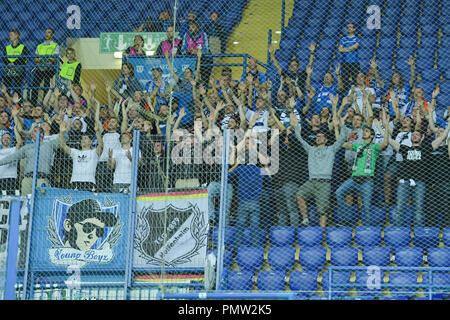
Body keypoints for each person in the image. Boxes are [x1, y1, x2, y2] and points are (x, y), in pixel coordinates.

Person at [385, 118, 450, 227]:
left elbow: (443, 137)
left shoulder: (426, 148)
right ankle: (398, 231)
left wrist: (449, 125)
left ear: (422, 137)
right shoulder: (405, 149)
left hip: (420, 182)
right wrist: (384, 125)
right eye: (413, 135)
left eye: (417, 134)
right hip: (404, 181)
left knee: (418, 208)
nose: (414, 136)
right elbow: (389, 140)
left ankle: (419, 232)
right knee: (400, 207)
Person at [292, 96, 345, 227]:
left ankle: (321, 235)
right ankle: (305, 220)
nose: (318, 138)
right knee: (299, 195)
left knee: (323, 211)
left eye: (321, 137)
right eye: (317, 136)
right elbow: (299, 138)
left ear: (326, 140)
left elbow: (342, 139)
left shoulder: (331, 149)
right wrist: (294, 120)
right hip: (311, 181)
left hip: (324, 183)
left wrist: (341, 124)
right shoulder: (310, 149)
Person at [336, 110, 390, 226]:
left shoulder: (375, 147)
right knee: (338, 193)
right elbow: (342, 143)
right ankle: (346, 220)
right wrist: (336, 127)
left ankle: (367, 229)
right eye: (364, 131)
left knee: (366, 207)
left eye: (366, 131)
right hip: (354, 179)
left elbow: (385, 143)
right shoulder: (358, 146)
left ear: (371, 136)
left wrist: (384, 127)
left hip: (367, 181)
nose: (364, 133)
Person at [0, 125, 62, 194]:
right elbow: (13, 157)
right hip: (28, 179)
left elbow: (64, 139)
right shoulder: (27, 147)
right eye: (34, 132)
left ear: (42, 134)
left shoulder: (50, 144)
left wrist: (64, 130)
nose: (35, 133)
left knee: (41, 200)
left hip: (42, 178)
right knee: (25, 200)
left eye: (38, 131)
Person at [59, 119, 103, 191]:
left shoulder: (94, 152)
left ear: (90, 142)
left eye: (85, 138)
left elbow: (101, 145)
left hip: (89, 182)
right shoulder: (75, 152)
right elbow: (62, 145)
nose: (83, 140)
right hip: (75, 182)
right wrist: (61, 133)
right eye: (82, 139)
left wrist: (97, 132)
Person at [31, 28, 60, 105]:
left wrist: (47, 63)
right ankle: (33, 103)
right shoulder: (39, 46)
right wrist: (41, 63)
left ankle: (45, 103)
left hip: (50, 68)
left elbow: (54, 58)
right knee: (35, 85)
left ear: (52, 34)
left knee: (47, 85)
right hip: (40, 67)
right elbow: (36, 57)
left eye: (49, 32)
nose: (47, 34)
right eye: (46, 32)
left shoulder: (55, 45)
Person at [2, 30, 29, 96]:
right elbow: (4, 58)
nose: (9, 36)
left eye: (11, 35)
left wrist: (14, 64)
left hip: (18, 68)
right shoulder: (7, 48)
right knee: (6, 86)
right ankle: (7, 100)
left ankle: (17, 103)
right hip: (9, 68)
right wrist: (10, 64)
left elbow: (23, 58)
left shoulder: (23, 47)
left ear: (17, 36)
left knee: (17, 86)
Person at [338, 22, 360, 92]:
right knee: (345, 82)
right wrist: (350, 48)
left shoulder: (357, 39)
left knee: (355, 81)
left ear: (354, 29)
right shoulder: (343, 39)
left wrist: (345, 49)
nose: (349, 28)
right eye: (348, 27)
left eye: (351, 27)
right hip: (345, 63)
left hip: (354, 63)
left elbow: (355, 47)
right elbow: (340, 49)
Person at [0, 129, 22, 195]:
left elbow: (19, 142)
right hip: (0, 178)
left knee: (11, 198)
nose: (6, 139)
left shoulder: (14, 149)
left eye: (8, 138)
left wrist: (15, 129)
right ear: (1, 140)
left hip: (11, 178)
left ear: (11, 141)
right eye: (4, 138)